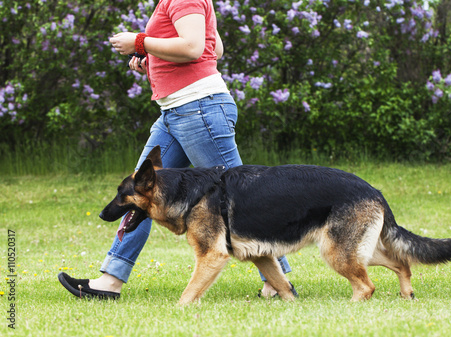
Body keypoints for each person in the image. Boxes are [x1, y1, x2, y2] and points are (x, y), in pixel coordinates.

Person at [58, 0, 292, 300]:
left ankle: (278, 280)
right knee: (140, 192)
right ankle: (110, 279)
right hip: (175, 113)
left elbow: (195, 48)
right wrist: (152, 59)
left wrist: (139, 41)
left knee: (242, 198)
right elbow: (213, 48)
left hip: (199, 112)